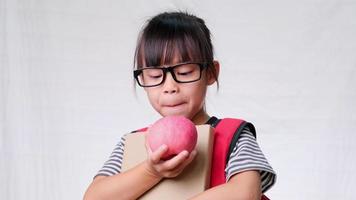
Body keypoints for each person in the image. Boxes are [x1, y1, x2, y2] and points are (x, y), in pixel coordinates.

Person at [84, 11, 276, 200]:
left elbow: (246, 193)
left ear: (211, 73)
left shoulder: (233, 134)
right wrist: (151, 171)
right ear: (142, 77)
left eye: (184, 72)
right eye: (155, 76)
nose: (170, 87)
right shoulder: (133, 143)